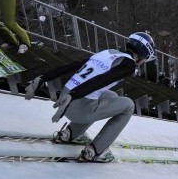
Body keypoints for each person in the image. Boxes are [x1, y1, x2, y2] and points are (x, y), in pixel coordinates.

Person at [24, 32, 155, 162]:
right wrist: (75, 94)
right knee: (128, 105)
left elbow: (74, 65)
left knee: (111, 95)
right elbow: (103, 80)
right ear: (143, 55)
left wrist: (44, 77)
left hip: (64, 101)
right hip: (76, 104)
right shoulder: (129, 64)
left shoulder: (109, 52)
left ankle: (71, 133)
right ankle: (96, 150)